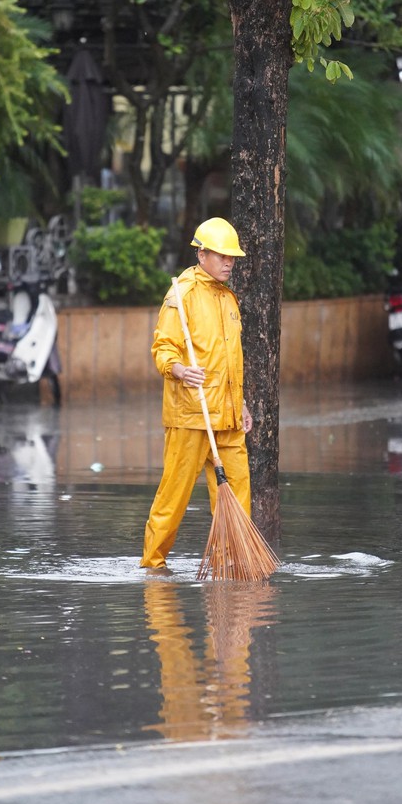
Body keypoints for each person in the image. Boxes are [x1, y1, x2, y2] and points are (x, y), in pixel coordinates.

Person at [140, 217, 253, 570]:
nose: (228, 262)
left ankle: (232, 565)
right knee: (173, 496)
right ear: (202, 254)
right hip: (191, 414)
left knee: (237, 496)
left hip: (229, 416)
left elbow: (230, 360)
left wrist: (243, 403)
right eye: (221, 255)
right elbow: (163, 348)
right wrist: (178, 370)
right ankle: (153, 566)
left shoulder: (228, 299)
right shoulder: (182, 294)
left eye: (232, 256)